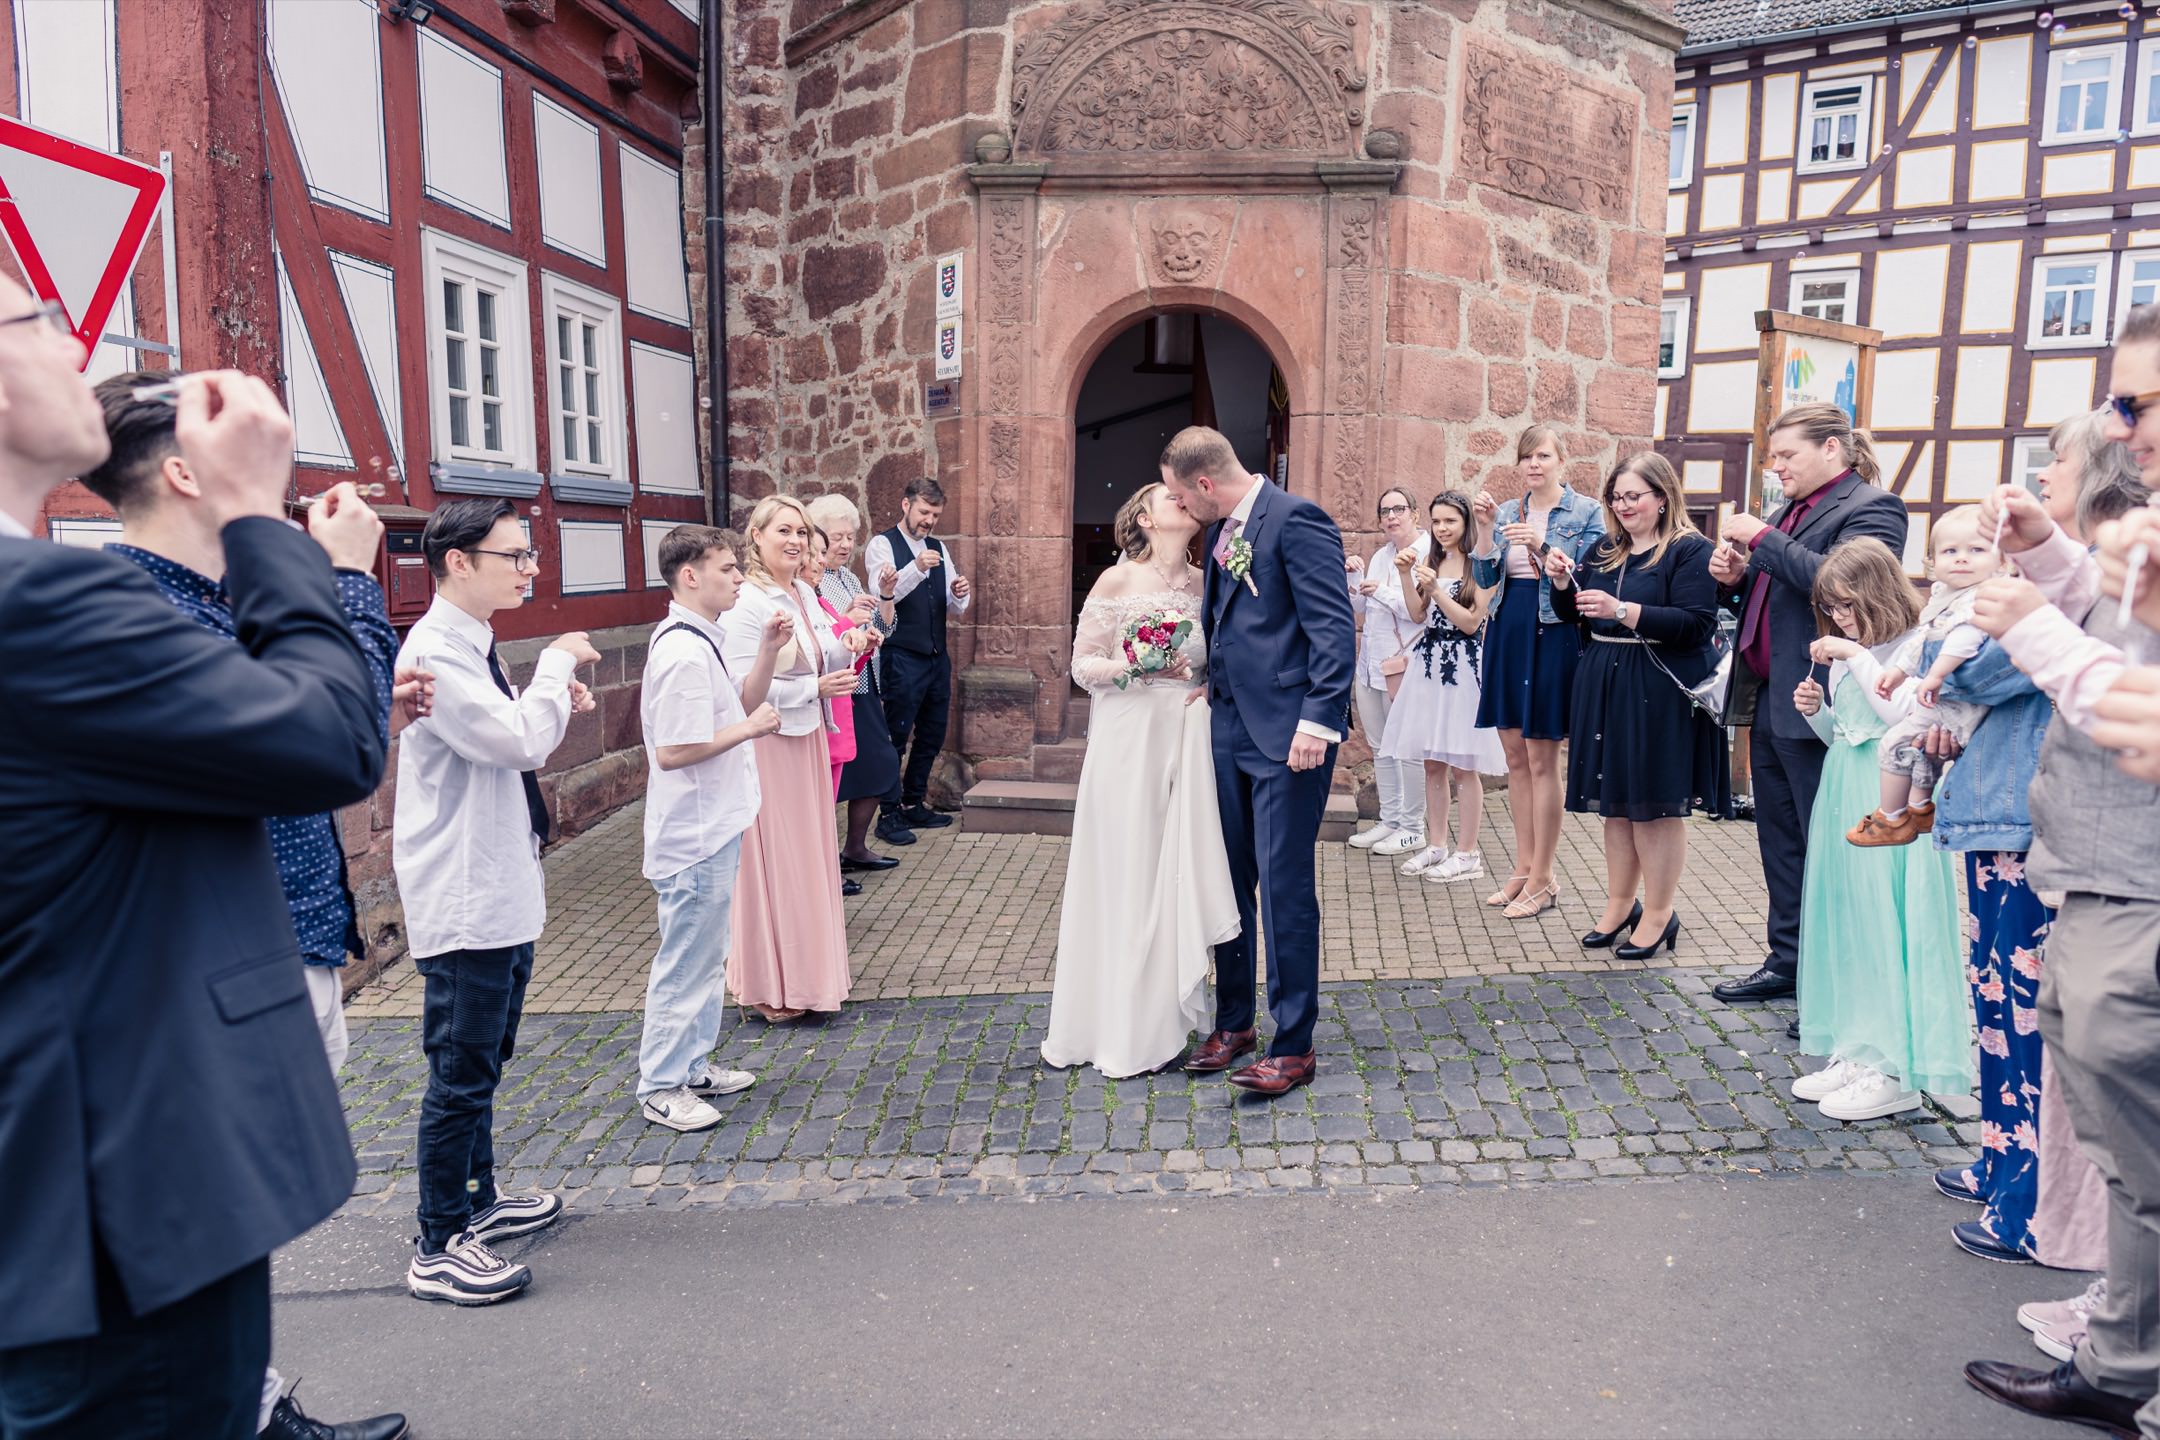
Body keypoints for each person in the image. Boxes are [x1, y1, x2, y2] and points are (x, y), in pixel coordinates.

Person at [0, 343, 386, 1433]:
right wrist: (266, 521)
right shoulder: (43, 599)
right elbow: (327, 744)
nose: (76, 347)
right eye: (34, 322)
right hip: (126, 1196)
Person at [1959, 367, 2160, 1435]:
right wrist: (2045, 552)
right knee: (2129, 1153)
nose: (2123, 427)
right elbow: (2126, 623)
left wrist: (2031, 621)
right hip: (2103, 871)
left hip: (2140, 877)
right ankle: (2123, 1364)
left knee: (2145, 1153)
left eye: (2138, 405)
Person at [395, 498, 600, 1306]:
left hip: (499, 885)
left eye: (529, 555)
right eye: (514, 555)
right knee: (460, 1070)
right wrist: (555, 672)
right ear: (457, 562)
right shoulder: (437, 652)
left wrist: (547, 696)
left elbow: (510, 733)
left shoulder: (472, 645)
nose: (529, 568)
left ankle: (476, 1202)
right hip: (466, 894)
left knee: (487, 1058)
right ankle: (438, 1238)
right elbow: (514, 742)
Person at [1160, 425, 1357, 1096]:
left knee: (1283, 889)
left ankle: (1294, 1044)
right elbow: (1234, 624)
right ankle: (1235, 1022)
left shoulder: (1298, 521)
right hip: (1229, 728)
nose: (1181, 507)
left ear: (1205, 484)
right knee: (1228, 879)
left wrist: (1319, 721)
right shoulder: (1221, 534)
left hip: (1289, 739)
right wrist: (1207, 680)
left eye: (1182, 496)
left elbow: (1333, 629)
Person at [1707, 402, 1908, 1011]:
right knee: (1781, 841)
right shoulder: (1788, 510)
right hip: (1772, 694)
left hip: (1825, 700)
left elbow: (1843, 584)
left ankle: (1836, 981)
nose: (1777, 468)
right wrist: (1736, 574)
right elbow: (1779, 588)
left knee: (1828, 844)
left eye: (1787, 456)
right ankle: (1789, 963)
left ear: (1832, 449)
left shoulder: (1873, 507)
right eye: (1774, 458)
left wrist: (1762, 539)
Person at [1044, 482, 1238, 1076]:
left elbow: (1220, 657)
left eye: (1185, 496)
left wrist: (1204, 683)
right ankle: (1113, 1024)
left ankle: (1159, 1020)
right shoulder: (1117, 580)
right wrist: (1135, 665)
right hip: (1128, 737)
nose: (1180, 501)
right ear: (1144, 518)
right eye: (1166, 497)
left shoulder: (1209, 583)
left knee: (1172, 868)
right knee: (1127, 870)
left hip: (1184, 734)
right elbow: (1082, 664)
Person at [1785, 538, 1969, 1123]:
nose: (1839, 618)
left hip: (1888, 794)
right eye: (1831, 608)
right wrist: (1817, 711)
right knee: (1850, 920)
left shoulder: (1911, 646)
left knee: (1888, 921)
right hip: (1843, 783)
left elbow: (1900, 717)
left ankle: (1896, 1068)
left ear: (1877, 592)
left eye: (1847, 605)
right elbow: (1847, 732)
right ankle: (1858, 1044)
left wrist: (1852, 657)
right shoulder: (1853, 652)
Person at [1546, 453, 1728, 958]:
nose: (1622, 506)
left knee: (1653, 808)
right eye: (1616, 497)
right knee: (1616, 806)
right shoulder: (1605, 549)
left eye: (1633, 496)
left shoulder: (1690, 550)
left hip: (1660, 689)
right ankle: (1620, 902)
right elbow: (1573, 613)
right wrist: (1563, 582)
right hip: (1605, 682)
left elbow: (1695, 624)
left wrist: (1623, 611)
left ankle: (1659, 911)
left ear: (1662, 496)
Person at [635, 525, 783, 1134]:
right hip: (692, 834)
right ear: (690, 576)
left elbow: (740, 703)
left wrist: (769, 650)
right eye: (727, 569)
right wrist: (750, 732)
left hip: (715, 822)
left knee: (706, 954)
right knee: (687, 960)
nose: (739, 578)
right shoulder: (682, 651)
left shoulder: (704, 640)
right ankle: (661, 1084)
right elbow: (673, 750)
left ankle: (692, 1064)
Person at [721, 495, 868, 1022]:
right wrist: (813, 689)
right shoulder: (748, 602)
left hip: (807, 738)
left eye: (802, 533)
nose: (795, 541)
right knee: (773, 863)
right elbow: (741, 690)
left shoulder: (805, 590)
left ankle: (807, 979)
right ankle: (766, 985)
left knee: (807, 860)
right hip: (768, 742)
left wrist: (851, 639)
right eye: (783, 530)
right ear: (756, 537)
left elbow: (827, 650)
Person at [1469, 424, 1605, 918]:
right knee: (1515, 756)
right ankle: (1523, 869)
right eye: (1527, 456)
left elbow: (1587, 579)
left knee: (1544, 757)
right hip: (1509, 628)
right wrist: (1485, 529)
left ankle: (1546, 878)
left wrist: (1543, 545)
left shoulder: (1587, 511)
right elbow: (1485, 578)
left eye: (1543, 455)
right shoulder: (1509, 510)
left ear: (1561, 460)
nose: (1534, 464)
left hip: (1552, 631)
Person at [1845, 507, 2002, 846]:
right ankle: (1918, 807)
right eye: (1950, 551)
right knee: (1920, 747)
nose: (1962, 559)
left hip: (1960, 701)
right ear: (1932, 561)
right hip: (1952, 697)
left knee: (1895, 743)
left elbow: (1965, 638)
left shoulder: (1980, 597)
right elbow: (1922, 638)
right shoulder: (1947, 597)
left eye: (1976, 550)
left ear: (2000, 559)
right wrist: (1899, 671)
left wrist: (1935, 674)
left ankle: (1891, 817)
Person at [1379, 491, 1504, 885]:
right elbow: (1418, 614)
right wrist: (1405, 575)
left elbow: (1471, 622)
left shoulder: (1481, 566)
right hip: (1429, 665)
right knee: (1432, 763)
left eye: (1450, 520)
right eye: (1436, 521)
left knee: (1464, 766)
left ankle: (1468, 853)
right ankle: (1436, 844)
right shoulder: (1432, 560)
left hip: (1465, 667)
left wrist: (1434, 591)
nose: (1442, 528)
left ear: (1466, 522)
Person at [866, 477, 970, 845]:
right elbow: (883, 593)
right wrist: (918, 567)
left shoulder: (939, 547)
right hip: (900, 655)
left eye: (935, 514)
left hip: (936, 657)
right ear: (906, 505)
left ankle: (914, 802)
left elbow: (954, 606)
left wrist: (961, 592)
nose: (929, 520)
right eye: (924, 512)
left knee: (931, 733)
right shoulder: (882, 545)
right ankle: (888, 813)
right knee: (896, 735)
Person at [806, 492, 903, 879]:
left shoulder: (847, 576)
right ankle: (823, 865)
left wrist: (886, 596)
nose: (845, 544)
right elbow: (820, 634)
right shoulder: (810, 582)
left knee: (880, 763)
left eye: (850, 536)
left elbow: (883, 628)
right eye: (837, 537)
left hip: (865, 682)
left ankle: (855, 847)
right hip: (837, 688)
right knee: (832, 776)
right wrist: (848, 618)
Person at [1346, 486, 1430, 856]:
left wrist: (1380, 590)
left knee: (1408, 749)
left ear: (1415, 513)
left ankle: (1413, 827)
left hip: (1407, 666)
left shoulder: (1429, 553)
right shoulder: (1381, 555)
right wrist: (1355, 577)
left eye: (1398, 509)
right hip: (1372, 665)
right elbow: (1359, 607)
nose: (1391, 517)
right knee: (1381, 747)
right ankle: (1391, 819)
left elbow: (1420, 612)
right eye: (1384, 512)